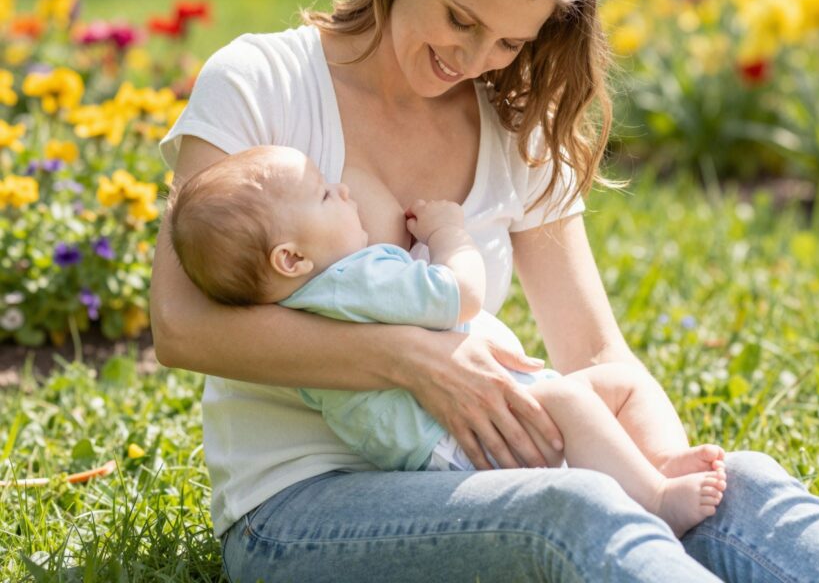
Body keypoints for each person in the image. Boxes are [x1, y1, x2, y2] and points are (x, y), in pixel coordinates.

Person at [151, 0, 819, 582]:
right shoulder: (261, 80)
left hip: (490, 476)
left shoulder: (512, 125)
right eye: (461, 19)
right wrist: (413, 361)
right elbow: (183, 329)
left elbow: (595, 354)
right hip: (299, 510)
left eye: (506, 41)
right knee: (577, 510)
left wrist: (664, 480)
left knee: (742, 486)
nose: (473, 58)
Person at [167, 144, 730, 536]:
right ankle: (655, 495)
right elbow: (459, 293)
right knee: (578, 396)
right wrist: (448, 234)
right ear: (291, 258)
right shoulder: (352, 283)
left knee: (615, 385)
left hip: (452, 433)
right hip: (459, 439)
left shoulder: (314, 303)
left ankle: (657, 465)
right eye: (322, 195)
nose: (340, 189)